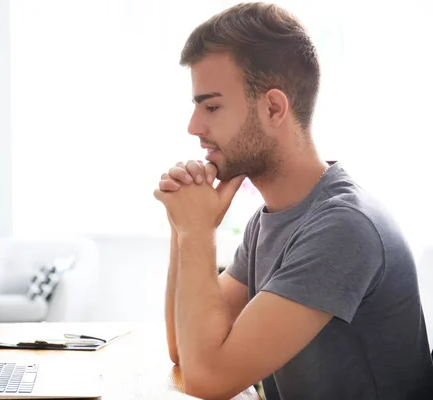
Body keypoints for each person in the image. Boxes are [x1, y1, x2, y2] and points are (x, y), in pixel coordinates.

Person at [153, 3, 433, 400]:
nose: (194, 127)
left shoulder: (344, 227)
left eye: (211, 106)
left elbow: (207, 379)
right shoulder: (272, 219)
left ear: (273, 108)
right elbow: (185, 350)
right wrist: (184, 229)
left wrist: (198, 231)